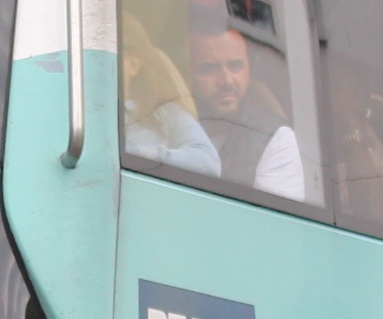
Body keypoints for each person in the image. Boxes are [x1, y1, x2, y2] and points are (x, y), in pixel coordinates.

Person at [190, 26, 305, 199]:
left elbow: (272, 215)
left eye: (235, 66)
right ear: (188, 75)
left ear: (250, 71)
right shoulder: (167, 129)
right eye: (211, 69)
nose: (227, 81)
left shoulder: (275, 139)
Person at [119, 19, 222, 175]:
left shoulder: (165, 114)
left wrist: (134, 155)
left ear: (134, 64)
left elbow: (208, 163)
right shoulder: (79, 116)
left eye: (113, 51)